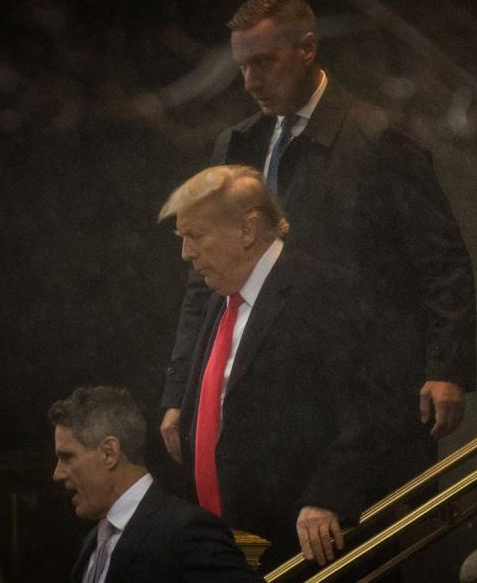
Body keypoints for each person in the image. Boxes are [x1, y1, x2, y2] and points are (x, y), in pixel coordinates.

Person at [160, 0, 476, 484]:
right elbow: (205, 274)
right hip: (259, 385)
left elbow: (441, 260)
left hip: (358, 385)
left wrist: (447, 367)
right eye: (241, 67)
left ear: (307, 48)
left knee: (351, 545)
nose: (250, 82)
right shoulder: (238, 143)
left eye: (263, 63)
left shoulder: (380, 138)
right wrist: (182, 390)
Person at [159, 165, 401, 569]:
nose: (186, 253)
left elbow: (375, 408)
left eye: (195, 236)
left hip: (304, 544)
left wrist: (328, 495)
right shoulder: (219, 298)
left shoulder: (326, 291)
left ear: (248, 230)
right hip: (227, 541)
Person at [49, 385, 261, 583]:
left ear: (109, 452)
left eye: (67, 457)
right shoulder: (93, 541)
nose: (57, 474)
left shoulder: (188, 532)